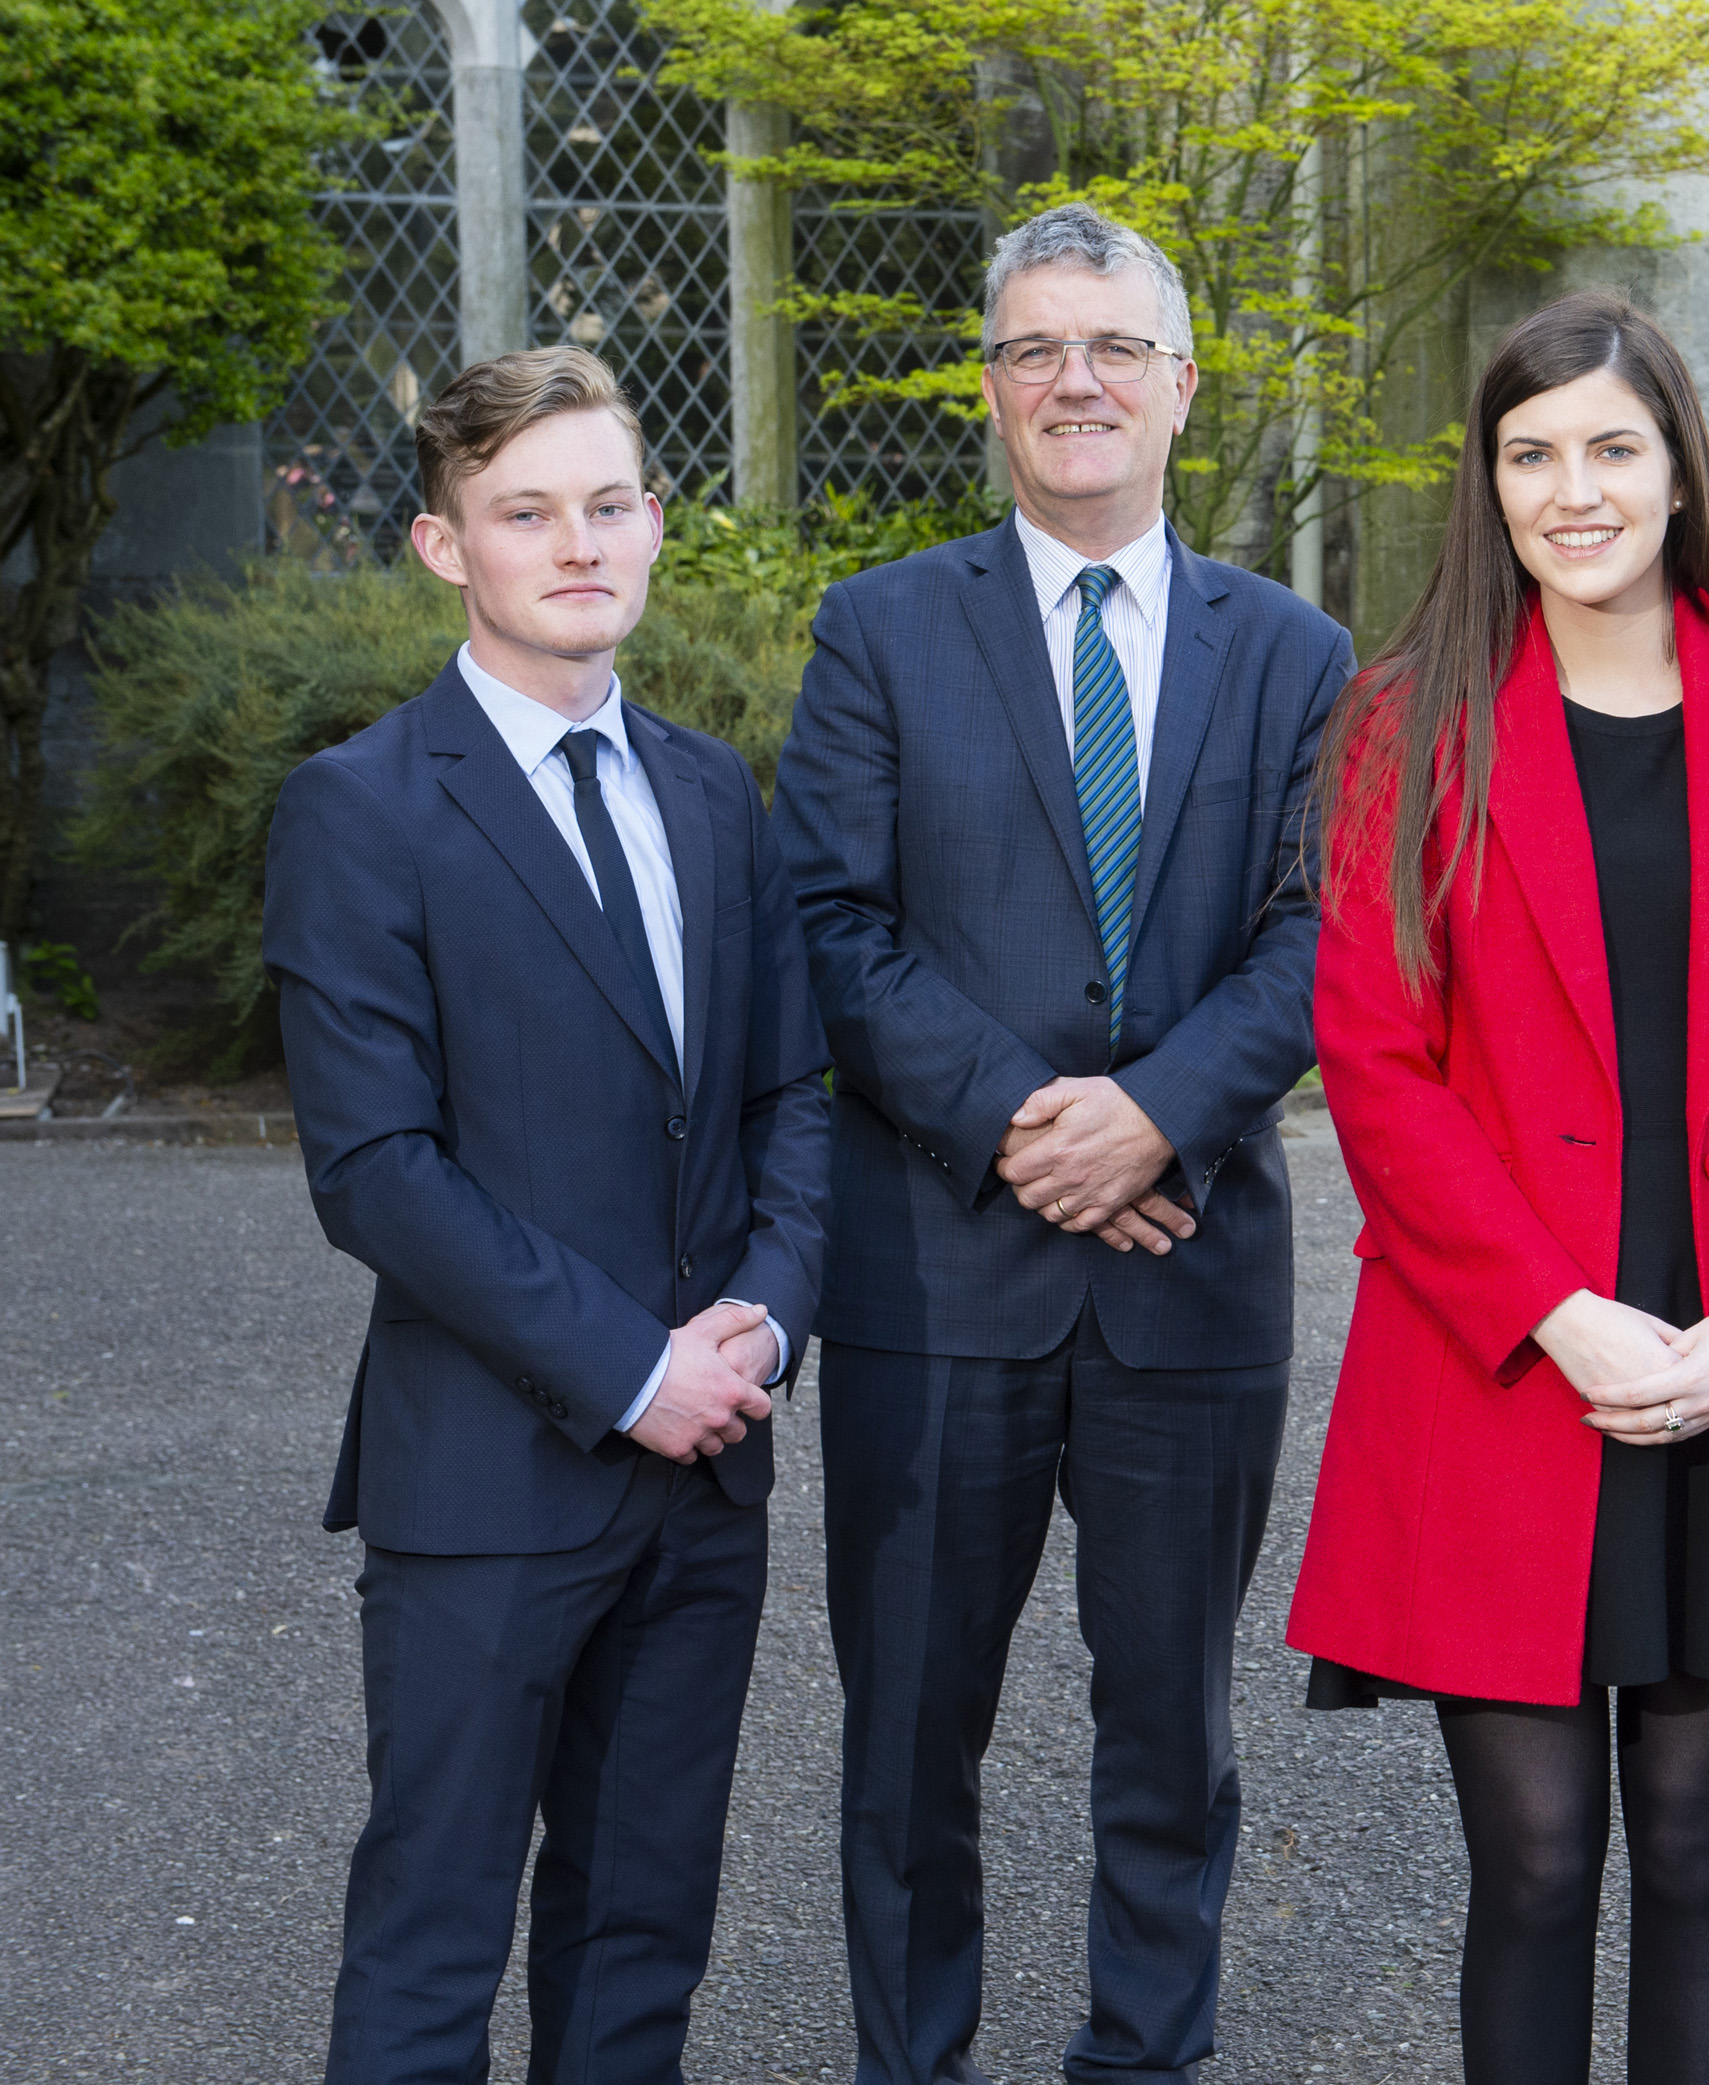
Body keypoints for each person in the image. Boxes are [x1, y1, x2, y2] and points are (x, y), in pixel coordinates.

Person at [1286, 290, 1709, 2085]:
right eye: (1531, 454)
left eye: (1611, 448)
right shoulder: (1411, 729)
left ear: (1675, 470)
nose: (1573, 490)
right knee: (1540, 1856)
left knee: (1708, 1856)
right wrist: (1558, 1314)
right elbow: (1378, 1071)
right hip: (1511, 1361)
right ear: (1491, 486)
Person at [772, 203, 1349, 2085]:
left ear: (1183, 384)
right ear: (995, 389)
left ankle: (1142, 2058)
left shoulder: (1295, 649)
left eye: (1112, 347)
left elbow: (1320, 933)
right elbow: (831, 925)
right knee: (909, 1740)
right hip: (941, 1272)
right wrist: (1032, 1127)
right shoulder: (878, 631)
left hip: (1194, 1271)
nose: (1074, 380)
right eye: (1034, 349)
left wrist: (1159, 1109)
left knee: (1172, 1737)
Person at [262, 345, 833, 2082]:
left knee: (640, 1942)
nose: (576, 543)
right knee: (435, 1944)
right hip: (490, 1479)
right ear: (447, 547)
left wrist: (765, 1313)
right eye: (525, 512)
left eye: (606, 504)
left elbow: (787, 1095)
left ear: (656, 525)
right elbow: (375, 1170)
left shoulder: (712, 791)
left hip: (706, 1465)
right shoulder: (359, 809)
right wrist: (624, 1365)